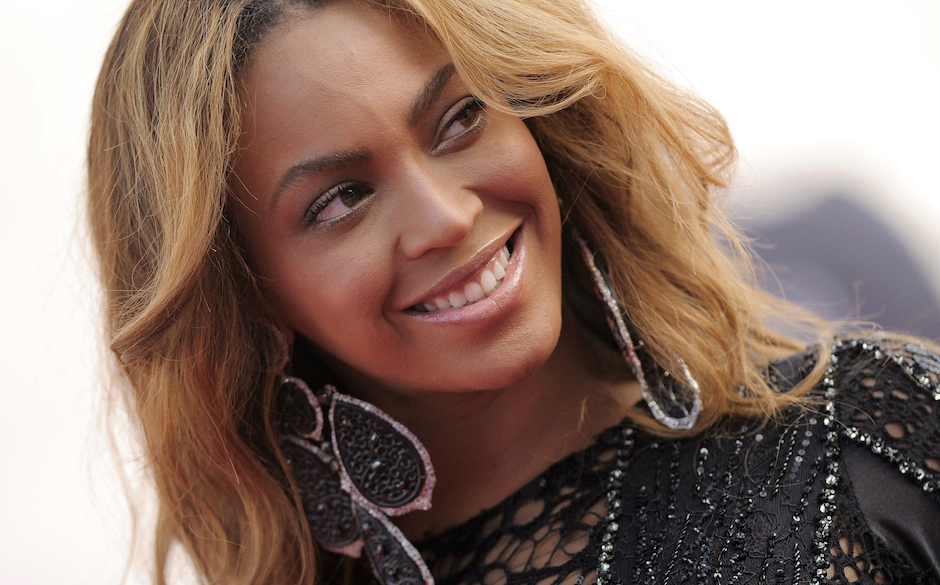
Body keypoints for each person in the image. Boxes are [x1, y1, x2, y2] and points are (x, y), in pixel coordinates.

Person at [86, 0, 940, 583]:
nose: (445, 217)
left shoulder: (867, 440)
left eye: (459, 119)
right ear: (252, 297)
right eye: (341, 199)